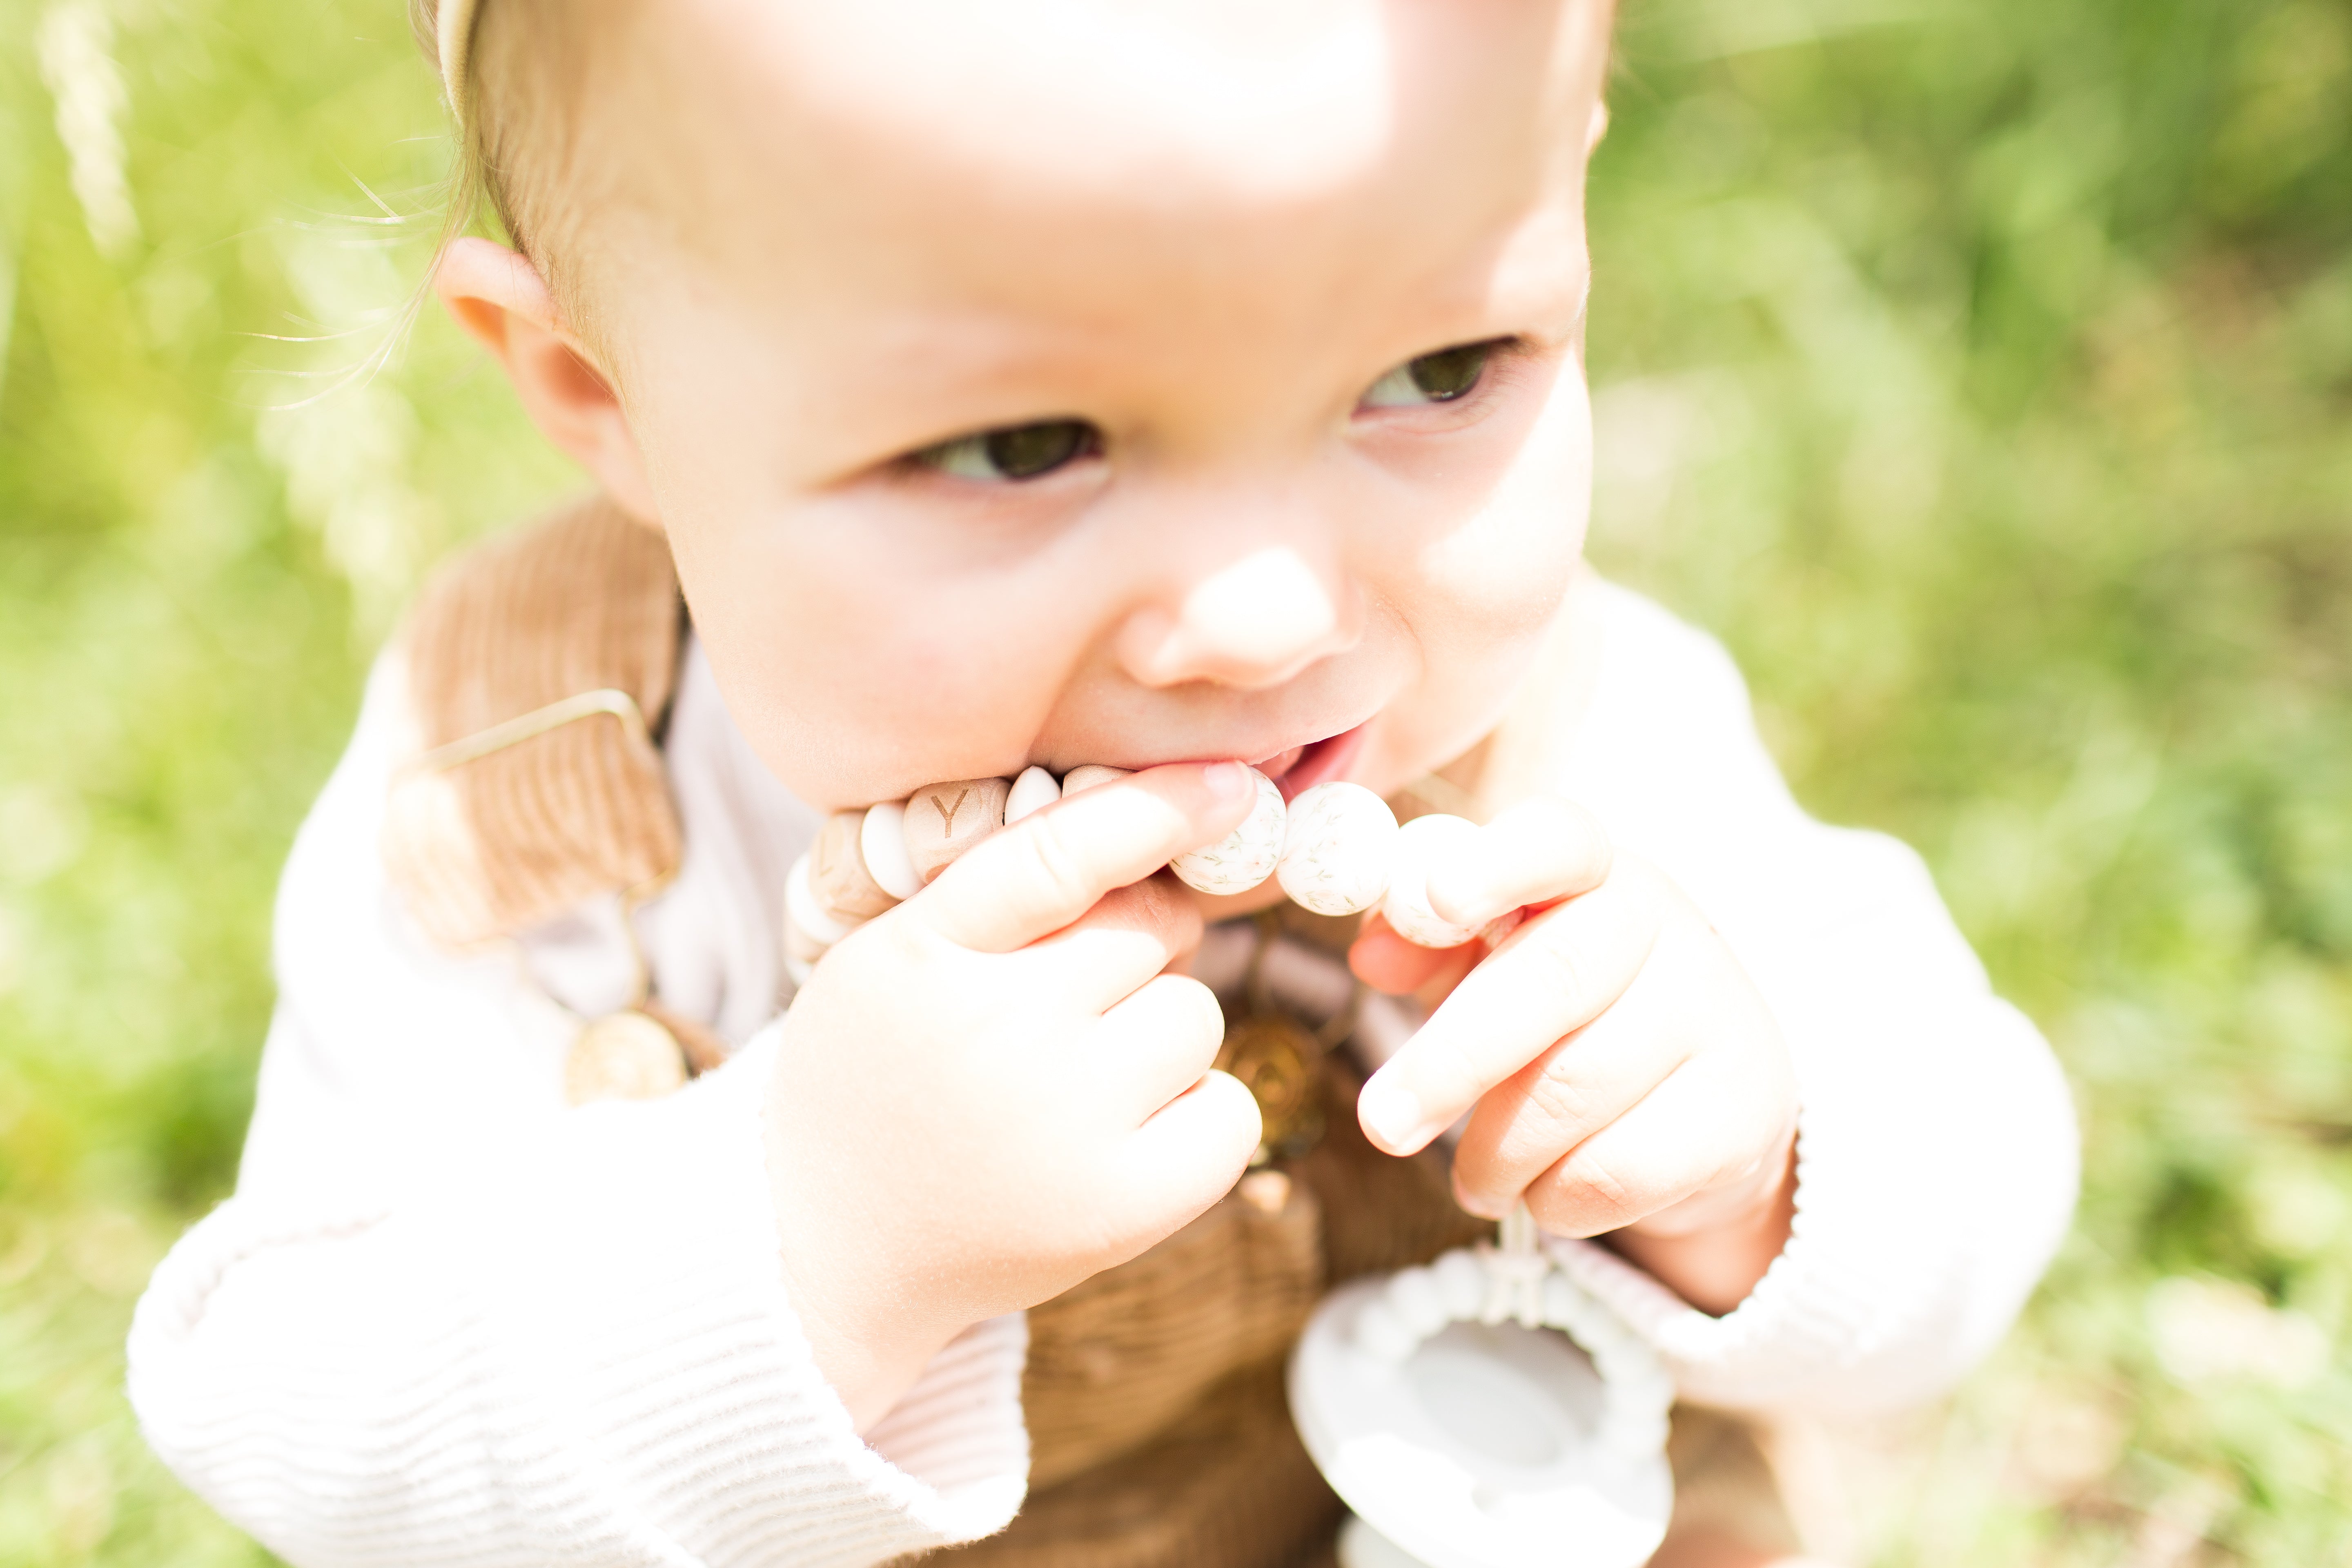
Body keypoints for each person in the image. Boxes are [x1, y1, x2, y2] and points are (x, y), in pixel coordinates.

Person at [128, 2, 2078, 1564]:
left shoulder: (1577, 741)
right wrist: (812, 1228)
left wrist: (1753, 1169)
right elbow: (303, 1428)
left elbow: (1978, 1184)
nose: (1262, 612)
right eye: (1023, 444)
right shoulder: (546, 816)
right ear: (600, 391)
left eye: (1436, 370)